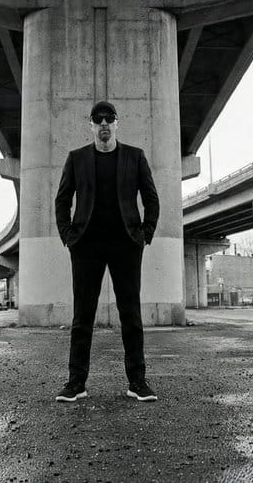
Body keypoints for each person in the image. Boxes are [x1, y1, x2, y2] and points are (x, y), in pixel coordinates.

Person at [53, 100, 160, 403]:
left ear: (116, 123)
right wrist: (68, 236)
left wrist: (145, 235)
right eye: (97, 119)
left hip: (126, 244)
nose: (103, 124)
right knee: (82, 316)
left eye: (108, 119)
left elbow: (152, 199)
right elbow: (62, 200)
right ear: (91, 125)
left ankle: (137, 382)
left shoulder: (134, 157)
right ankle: (76, 383)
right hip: (86, 245)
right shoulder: (76, 159)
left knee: (131, 314)